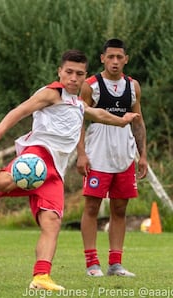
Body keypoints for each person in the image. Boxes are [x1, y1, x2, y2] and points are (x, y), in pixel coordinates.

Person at [0, 50, 140, 290]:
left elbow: (98, 113)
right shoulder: (51, 93)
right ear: (60, 71)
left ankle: (41, 277)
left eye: (79, 74)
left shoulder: (76, 103)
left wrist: (122, 120)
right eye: (69, 72)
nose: (73, 78)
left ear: (85, 77)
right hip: (37, 155)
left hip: (55, 171)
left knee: (52, 222)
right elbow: (22, 110)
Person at [76, 39, 147, 277]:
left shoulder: (132, 86)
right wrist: (81, 153)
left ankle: (115, 264)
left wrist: (143, 155)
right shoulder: (90, 85)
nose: (115, 61)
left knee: (119, 208)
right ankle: (91, 263)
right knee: (92, 207)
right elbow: (79, 121)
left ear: (126, 59)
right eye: (111, 57)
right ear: (102, 58)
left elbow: (138, 122)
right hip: (97, 156)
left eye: (119, 57)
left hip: (124, 156)